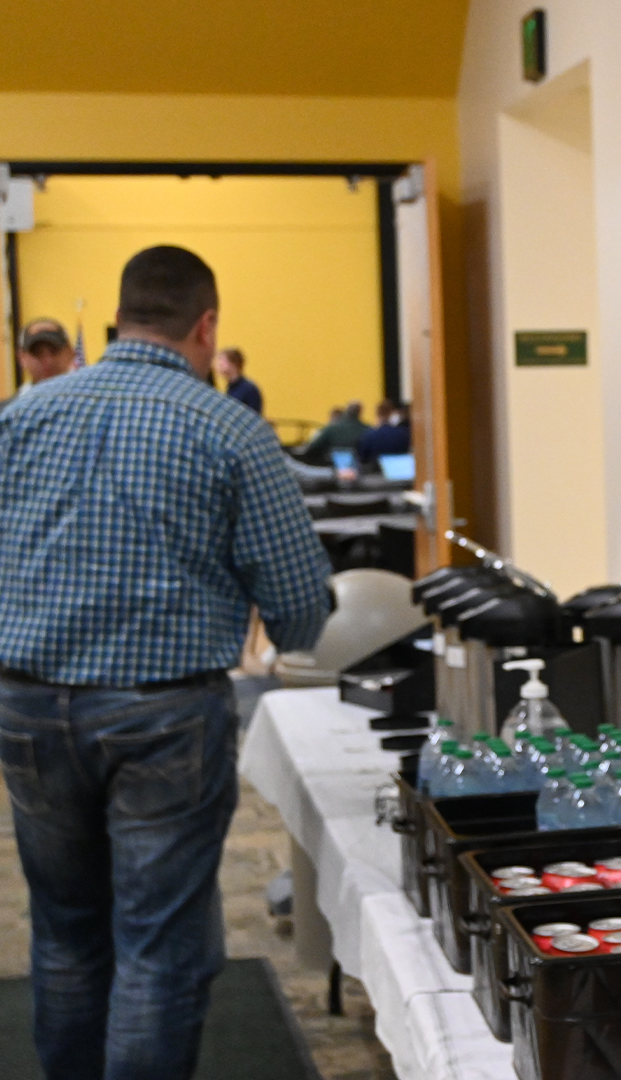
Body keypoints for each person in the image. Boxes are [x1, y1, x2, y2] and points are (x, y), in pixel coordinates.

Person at [0, 245, 333, 1080]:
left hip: (29, 707)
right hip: (164, 718)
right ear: (206, 324)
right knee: (156, 945)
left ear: (119, 318)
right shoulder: (229, 429)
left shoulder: (20, 417)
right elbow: (297, 613)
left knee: (66, 933)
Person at [5, 319, 78, 407]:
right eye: (37, 353)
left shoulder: (89, 404)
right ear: (21, 358)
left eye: (54, 351)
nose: (48, 360)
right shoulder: (7, 412)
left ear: (70, 353)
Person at [300, 399, 371, 464]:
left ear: (347, 411)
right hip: (362, 468)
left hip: (332, 466)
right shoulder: (368, 430)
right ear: (360, 412)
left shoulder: (331, 429)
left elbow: (313, 447)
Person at [356, 399, 412, 469]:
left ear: (377, 415)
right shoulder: (403, 433)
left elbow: (362, 458)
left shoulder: (369, 435)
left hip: (375, 472)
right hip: (399, 471)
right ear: (392, 413)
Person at [213, 346, 262, 413]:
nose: (218, 364)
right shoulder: (230, 387)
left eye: (222, 360)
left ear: (234, 363)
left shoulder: (249, 389)